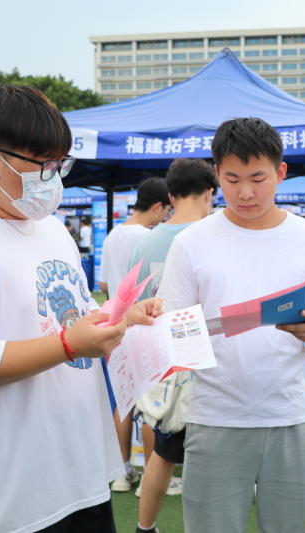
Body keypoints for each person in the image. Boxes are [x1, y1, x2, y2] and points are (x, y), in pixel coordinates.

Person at [0, 84, 161, 533]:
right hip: (4, 501)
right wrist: (67, 345)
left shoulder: (51, 230)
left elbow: (73, 313)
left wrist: (121, 317)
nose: (54, 176)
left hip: (79, 475)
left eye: (59, 163)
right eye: (44, 164)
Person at [158, 117, 305, 533]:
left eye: (258, 178)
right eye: (232, 179)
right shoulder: (191, 243)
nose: (245, 192)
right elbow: (175, 338)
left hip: (291, 417)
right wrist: (176, 331)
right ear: (216, 175)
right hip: (215, 419)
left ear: (281, 173)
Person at [129, 158, 218, 533]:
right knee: (213, 457)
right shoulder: (213, 236)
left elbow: (133, 304)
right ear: (210, 193)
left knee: (163, 453)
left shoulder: (144, 241)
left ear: (170, 195)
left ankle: (145, 526)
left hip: (160, 359)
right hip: (208, 360)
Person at [99, 177, 172, 494]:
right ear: (157, 206)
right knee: (151, 401)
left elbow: (103, 285)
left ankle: (122, 471)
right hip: (143, 324)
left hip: (112, 325)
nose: (167, 216)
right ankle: (151, 474)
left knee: (123, 400)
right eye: (167, 210)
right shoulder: (150, 237)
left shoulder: (112, 235)